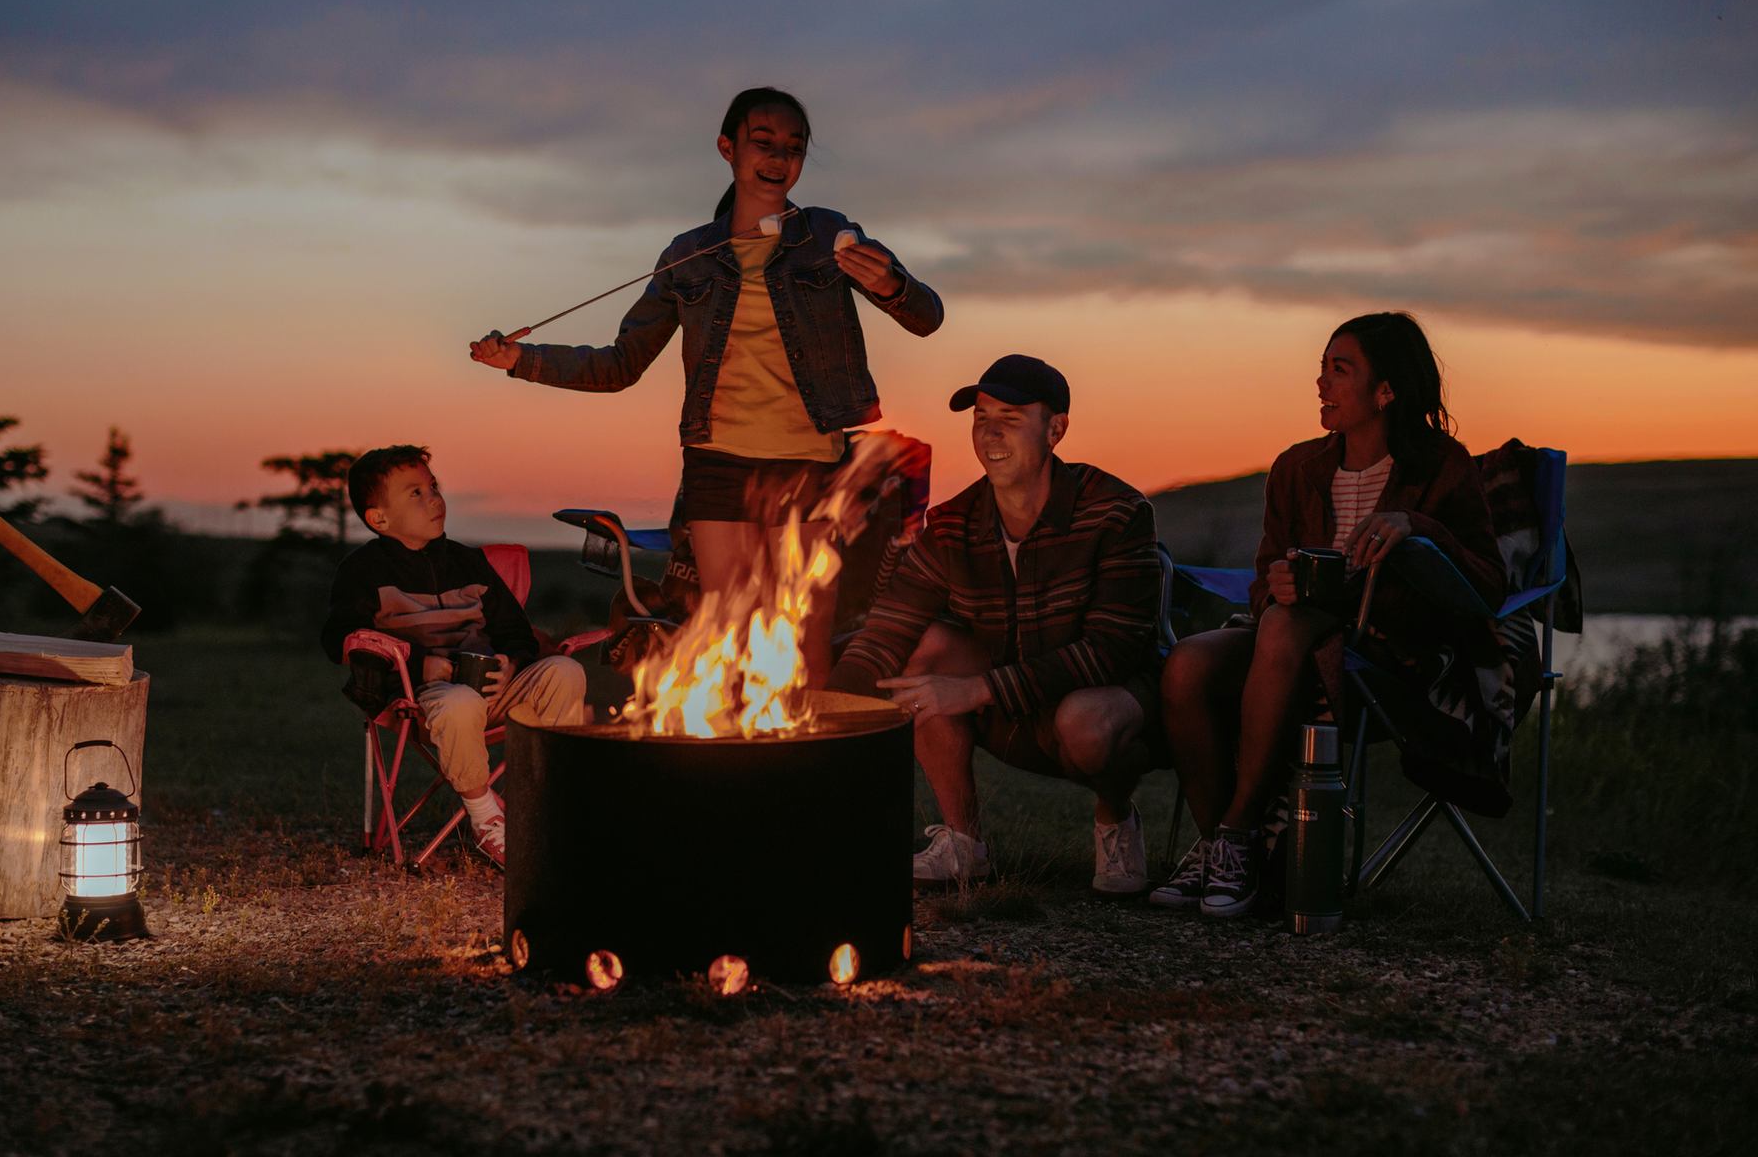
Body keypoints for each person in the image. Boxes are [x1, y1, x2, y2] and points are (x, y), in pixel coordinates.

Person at [470, 87, 943, 682]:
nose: (778, 159)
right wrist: (519, 358)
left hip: (808, 459)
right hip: (717, 463)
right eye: (763, 143)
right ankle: (741, 761)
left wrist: (894, 285)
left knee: (804, 642)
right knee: (732, 635)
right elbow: (620, 365)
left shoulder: (828, 235)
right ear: (728, 148)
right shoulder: (688, 256)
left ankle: (806, 768)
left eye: (794, 149)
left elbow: (927, 318)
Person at [1151, 312, 1504, 918]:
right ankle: (1224, 854)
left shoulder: (1442, 467)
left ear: (1385, 390)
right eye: (1321, 369)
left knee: (1286, 627)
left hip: (1387, 653)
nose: (1321, 383)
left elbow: (1489, 586)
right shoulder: (1297, 468)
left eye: (1339, 371)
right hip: (1288, 640)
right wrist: (1277, 585)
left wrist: (1417, 529)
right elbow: (1266, 578)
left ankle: (1234, 834)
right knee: (1187, 663)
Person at [827, 356, 1164, 895]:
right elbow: (887, 628)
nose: (989, 432)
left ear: (1055, 429)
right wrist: (824, 714)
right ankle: (965, 846)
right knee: (924, 648)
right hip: (1011, 704)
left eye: (1009, 416)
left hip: (1108, 704)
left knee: (1085, 721)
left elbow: (1113, 649)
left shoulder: (1116, 512)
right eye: (981, 417)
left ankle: (1115, 816)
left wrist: (978, 689)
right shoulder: (954, 524)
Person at [320, 445, 586, 868]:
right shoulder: (363, 571)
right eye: (416, 493)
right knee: (459, 702)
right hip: (422, 699)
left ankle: (540, 806)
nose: (434, 498)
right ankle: (486, 820)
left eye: (434, 487)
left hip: (494, 691)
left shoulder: (470, 562)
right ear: (379, 518)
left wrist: (510, 663)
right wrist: (417, 664)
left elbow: (515, 631)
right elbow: (341, 640)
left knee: (565, 671)